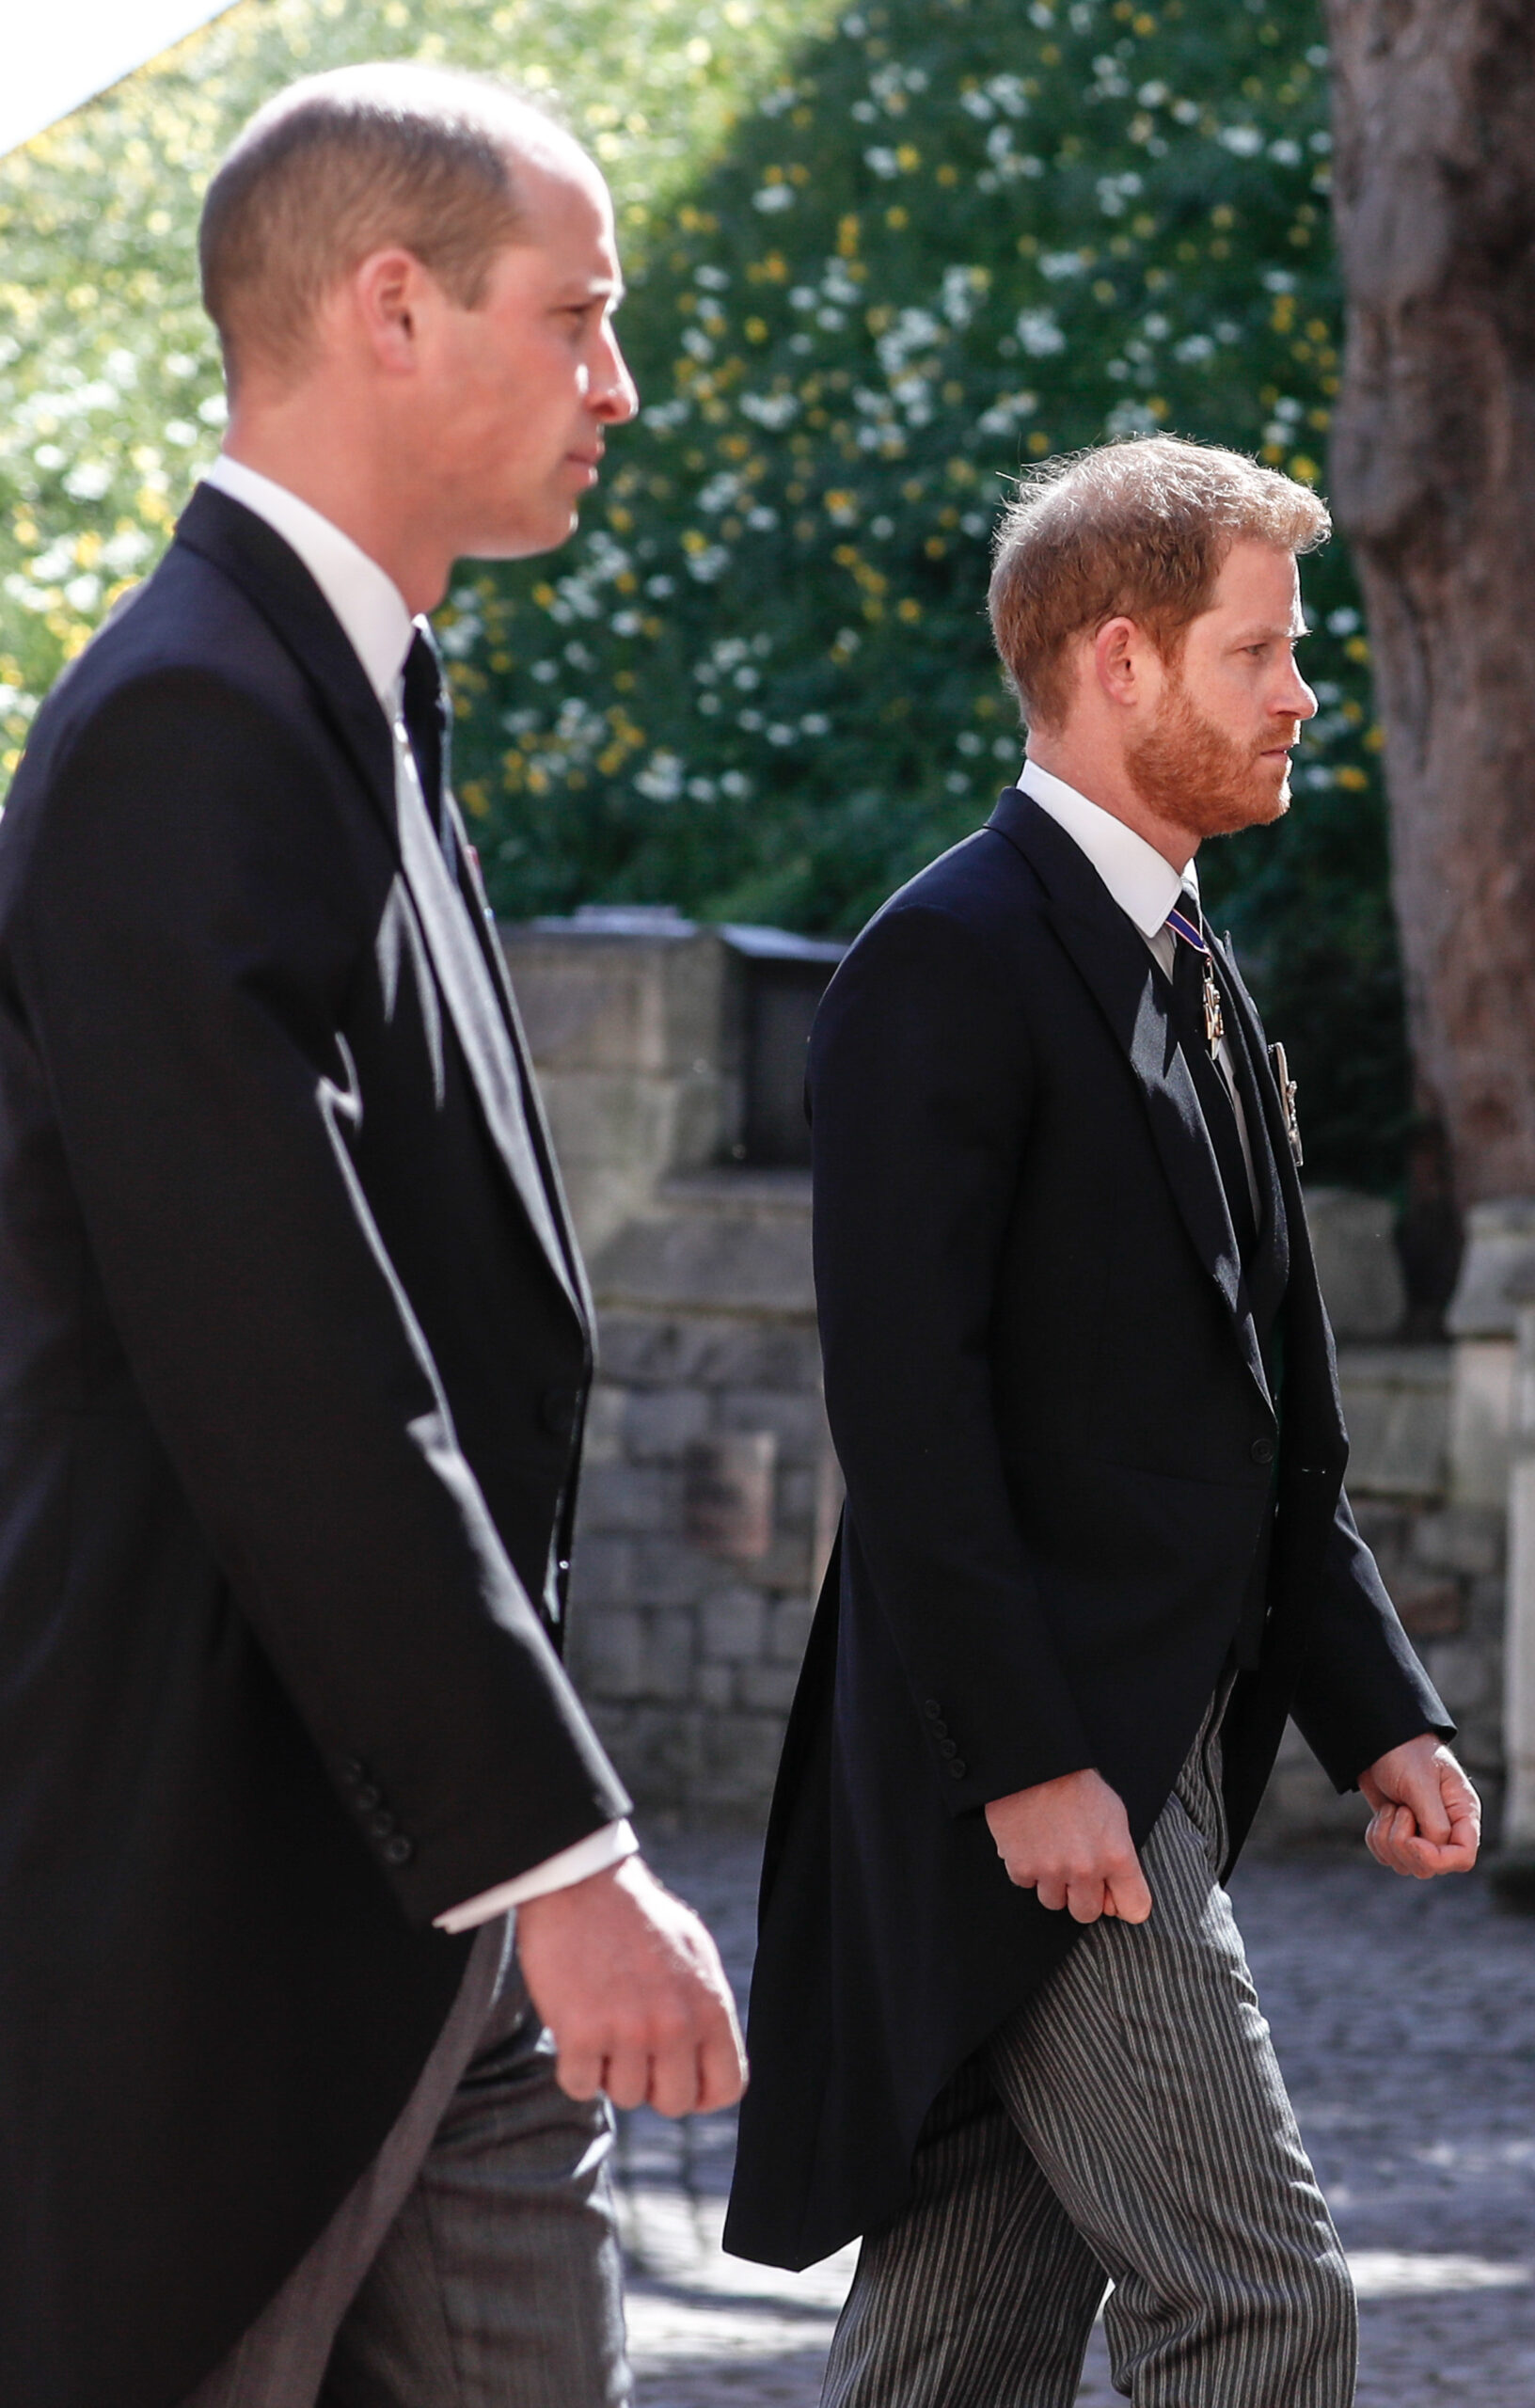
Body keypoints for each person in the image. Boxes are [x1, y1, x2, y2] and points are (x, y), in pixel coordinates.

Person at [0, 64, 745, 2408]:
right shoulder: (183, 727)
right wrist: (556, 1852)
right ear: (391, 307)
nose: (618, 383)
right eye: (582, 318)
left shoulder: (351, 698)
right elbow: (282, 1342)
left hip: (418, 1886)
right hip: (226, 1894)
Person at [722, 436, 1480, 2407]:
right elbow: (910, 1415)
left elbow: (1266, 1424)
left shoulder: (1204, 979)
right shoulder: (944, 963)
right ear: (1123, 660)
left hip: (1154, 1760)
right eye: (1264, 651)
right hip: (1049, 1782)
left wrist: (1379, 1704)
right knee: (1258, 2299)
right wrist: (1035, 1762)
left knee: (956, 2351)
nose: (1306, 691)